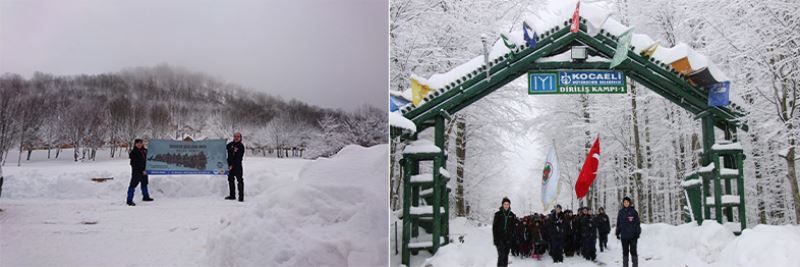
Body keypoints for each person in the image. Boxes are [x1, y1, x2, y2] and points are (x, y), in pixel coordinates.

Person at [127, 139, 153, 206]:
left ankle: (145, 197)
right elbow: (133, 164)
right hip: (137, 172)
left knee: (144, 184)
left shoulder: (145, 151)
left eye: (140, 143)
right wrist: (141, 171)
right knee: (132, 186)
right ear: (135, 144)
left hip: (145, 171)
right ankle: (129, 200)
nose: (139, 144)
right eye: (137, 143)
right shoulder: (133, 152)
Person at [616, 196, 641, 267]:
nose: (626, 203)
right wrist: (617, 233)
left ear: (629, 203)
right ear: (623, 203)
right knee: (625, 252)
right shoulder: (621, 212)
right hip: (624, 237)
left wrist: (637, 233)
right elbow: (618, 223)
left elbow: (637, 223)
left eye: (627, 202)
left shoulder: (634, 212)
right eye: (624, 202)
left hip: (633, 236)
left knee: (633, 252)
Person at [492, 197, 516, 267]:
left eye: (507, 204)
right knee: (501, 256)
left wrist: (512, 239)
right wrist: (495, 239)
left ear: (509, 205)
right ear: (502, 205)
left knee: (506, 256)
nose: (506, 205)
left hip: (508, 239)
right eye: (505, 204)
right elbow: (494, 228)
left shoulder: (512, 215)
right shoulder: (498, 214)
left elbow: (513, 228)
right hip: (500, 239)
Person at [226, 132, 245, 202]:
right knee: (230, 180)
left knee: (240, 181)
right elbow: (223, 147)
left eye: (237, 136)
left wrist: (232, 165)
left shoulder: (241, 146)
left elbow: (238, 158)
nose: (236, 138)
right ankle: (232, 195)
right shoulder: (230, 145)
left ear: (240, 138)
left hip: (237, 166)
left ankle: (241, 197)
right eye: (235, 136)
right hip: (230, 166)